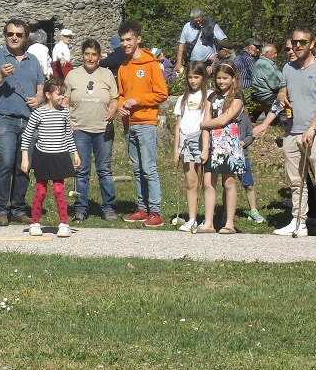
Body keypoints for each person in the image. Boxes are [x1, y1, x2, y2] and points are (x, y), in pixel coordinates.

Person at [269, 27, 316, 238]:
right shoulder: (288, 68)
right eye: (295, 42)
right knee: (295, 180)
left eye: (302, 42)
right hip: (292, 132)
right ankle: (299, 221)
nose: (298, 45)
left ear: (310, 44)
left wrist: (312, 128)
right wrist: (282, 93)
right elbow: (283, 86)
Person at [0, 19, 43, 226]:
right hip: (4, 119)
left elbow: (41, 87)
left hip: (29, 120)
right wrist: (0, 74)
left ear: (26, 38)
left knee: (24, 165)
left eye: (18, 34)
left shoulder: (33, 60)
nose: (14, 37)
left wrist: (39, 99)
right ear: (5, 35)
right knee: (5, 162)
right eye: (10, 34)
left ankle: (18, 208)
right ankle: (0, 210)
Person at [116, 19, 168, 227]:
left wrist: (137, 100)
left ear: (138, 39)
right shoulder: (123, 66)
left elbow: (162, 93)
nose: (125, 43)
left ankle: (156, 211)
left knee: (149, 168)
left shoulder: (151, 63)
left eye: (129, 39)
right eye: (122, 40)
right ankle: (142, 208)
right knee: (137, 169)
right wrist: (121, 106)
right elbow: (121, 95)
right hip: (130, 124)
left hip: (146, 122)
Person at [64, 38, 119, 222]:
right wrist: (67, 122)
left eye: (93, 54)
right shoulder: (73, 75)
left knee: (104, 170)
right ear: (82, 55)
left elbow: (114, 98)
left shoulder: (107, 74)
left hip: (103, 129)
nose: (90, 58)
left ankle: (108, 208)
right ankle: (80, 208)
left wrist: (113, 109)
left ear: (99, 56)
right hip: (80, 129)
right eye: (87, 54)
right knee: (82, 170)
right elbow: (65, 101)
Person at [20, 78, 80, 238]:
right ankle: (35, 223)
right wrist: (25, 158)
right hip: (43, 156)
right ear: (48, 94)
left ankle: (63, 224)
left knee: (59, 190)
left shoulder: (65, 112)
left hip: (60, 155)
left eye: (63, 94)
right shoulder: (38, 113)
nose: (62, 97)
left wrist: (75, 153)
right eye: (59, 94)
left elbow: (68, 135)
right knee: (40, 191)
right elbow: (26, 136)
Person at [199, 63, 247, 233]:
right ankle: (209, 222)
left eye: (225, 78)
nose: (221, 81)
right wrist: (205, 149)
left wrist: (204, 123)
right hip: (212, 144)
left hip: (229, 145)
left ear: (233, 78)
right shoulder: (211, 97)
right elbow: (206, 125)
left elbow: (223, 120)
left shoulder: (237, 97)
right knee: (208, 182)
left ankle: (229, 223)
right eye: (218, 78)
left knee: (229, 182)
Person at [173, 62, 209, 231]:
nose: (193, 81)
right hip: (186, 141)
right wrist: (176, 150)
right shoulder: (183, 98)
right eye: (190, 77)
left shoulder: (208, 96)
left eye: (197, 77)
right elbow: (178, 125)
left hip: (201, 139)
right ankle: (192, 218)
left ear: (203, 78)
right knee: (190, 181)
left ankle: (207, 218)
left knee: (205, 181)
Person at [249, 43, 282, 120]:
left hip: (262, 94)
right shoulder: (265, 65)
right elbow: (275, 85)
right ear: (267, 54)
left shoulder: (262, 62)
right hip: (267, 95)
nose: (276, 55)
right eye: (275, 53)